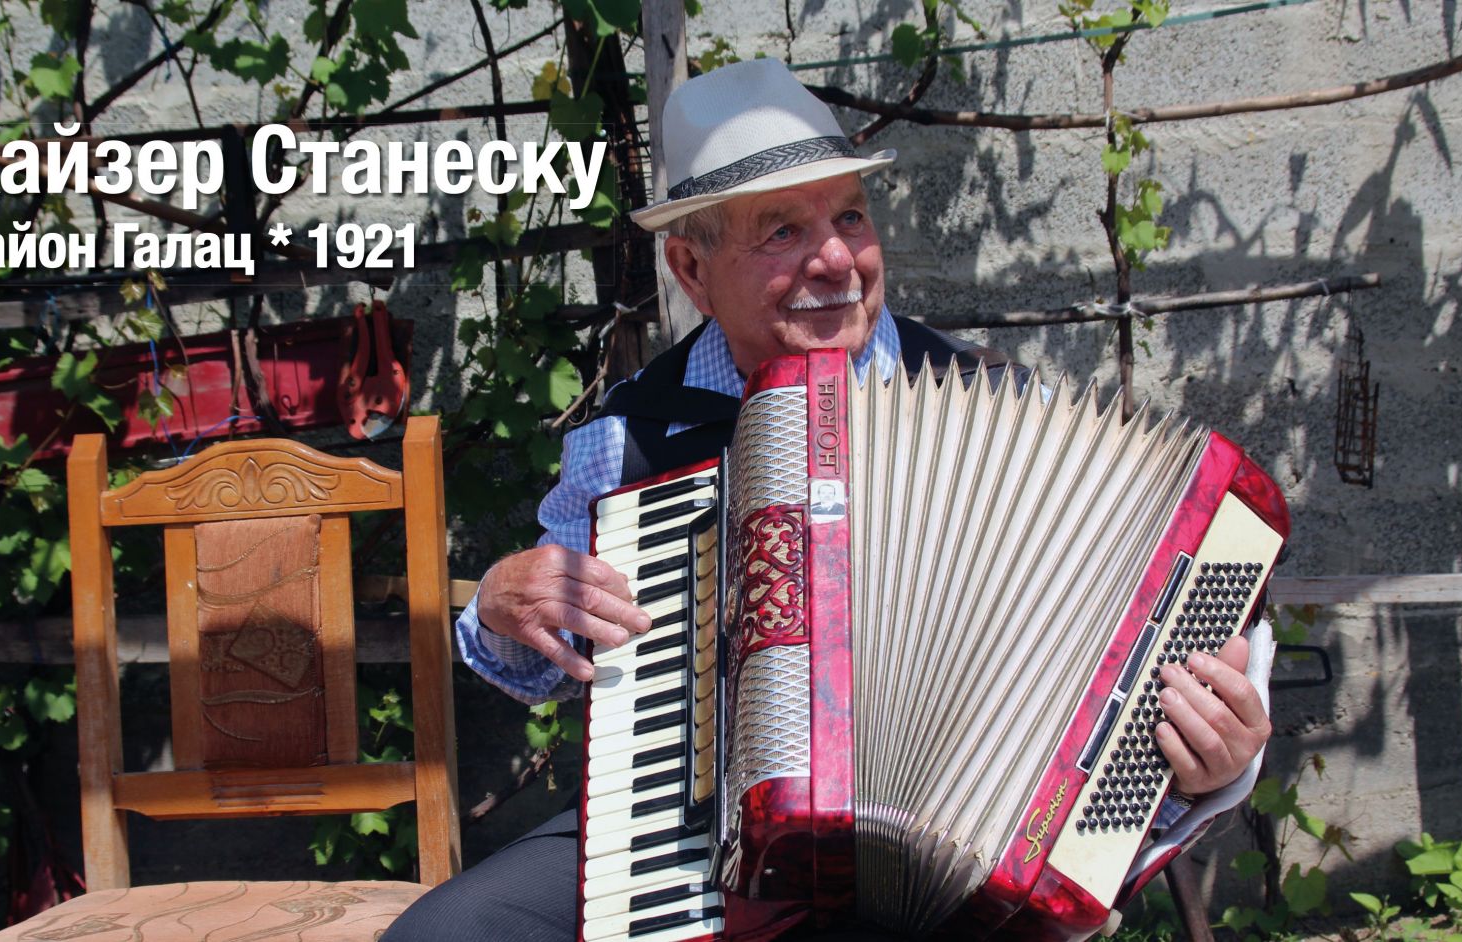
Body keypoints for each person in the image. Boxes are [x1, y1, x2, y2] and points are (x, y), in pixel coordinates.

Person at [384, 58, 1273, 941]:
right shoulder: (631, 437)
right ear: (691, 268)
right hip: (672, 833)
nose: (838, 259)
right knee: (446, 935)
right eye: (782, 231)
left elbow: (1145, 693)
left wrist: (1214, 768)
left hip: (960, 864)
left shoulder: (1008, 410)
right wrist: (501, 604)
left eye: (850, 216)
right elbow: (539, 661)